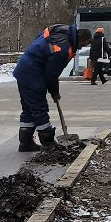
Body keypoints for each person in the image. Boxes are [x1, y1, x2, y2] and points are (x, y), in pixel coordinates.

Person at [15, 22, 80, 152]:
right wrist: (55, 92)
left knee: (29, 108)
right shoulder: (63, 48)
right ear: (80, 41)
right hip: (33, 73)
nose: (81, 48)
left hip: (23, 70)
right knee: (39, 108)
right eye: (83, 45)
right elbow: (51, 74)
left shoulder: (56, 32)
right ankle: (48, 143)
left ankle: (25, 143)